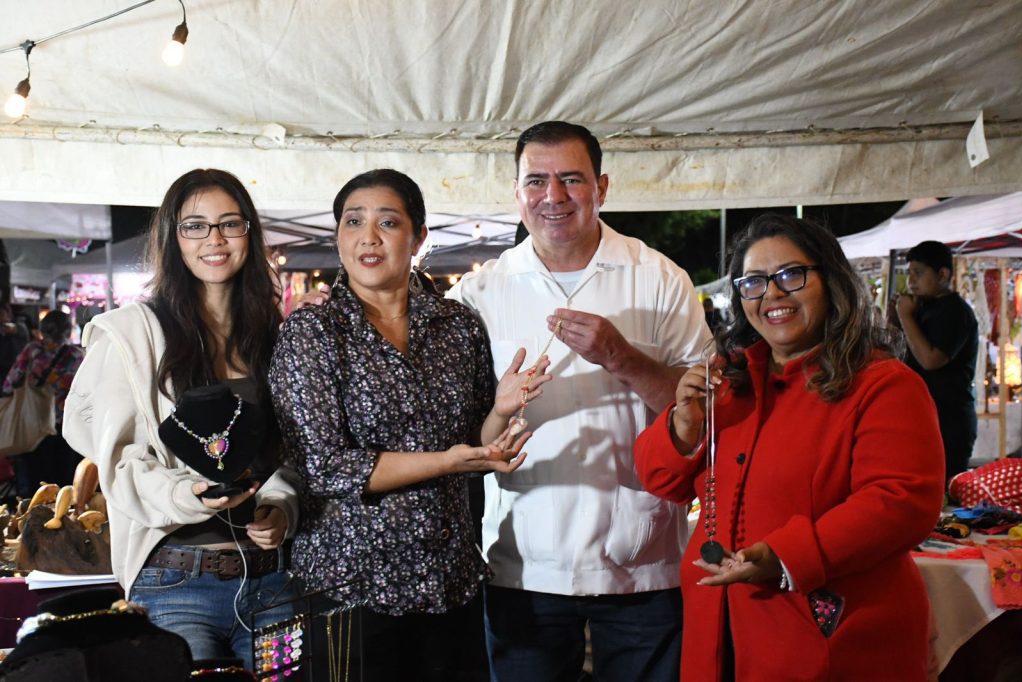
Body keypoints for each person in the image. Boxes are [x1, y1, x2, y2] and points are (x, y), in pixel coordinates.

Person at [448, 121, 711, 681]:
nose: (553, 196)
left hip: (643, 561)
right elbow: (455, 432)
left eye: (571, 179)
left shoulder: (658, 277)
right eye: (536, 181)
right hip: (522, 562)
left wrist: (623, 357)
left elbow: (706, 407)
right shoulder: (479, 292)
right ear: (517, 193)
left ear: (602, 187)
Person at [634, 213, 945, 681]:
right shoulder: (729, 382)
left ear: (831, 281)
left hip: (831, 641)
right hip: (718, 632)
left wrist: (784, 556)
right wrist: (684, 424)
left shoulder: (883, 385)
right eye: (754, 282)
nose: (772, 294)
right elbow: (661, 480)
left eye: (790, 275)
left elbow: (901, 503)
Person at [269, 168, 545, 681]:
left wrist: (501, 412)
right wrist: (447, 462)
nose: (368, 237)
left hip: (449, 581)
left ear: (418, 238)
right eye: (354, 221)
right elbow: (326, 468)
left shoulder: (457, 326)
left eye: (388, 222)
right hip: (350, 586)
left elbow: (475, 449)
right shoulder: (313, 331)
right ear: (338, 237)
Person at [63, 169, 299, 669]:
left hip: (273, 582)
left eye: (230, 224)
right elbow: (118, 461)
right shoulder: (134, 335)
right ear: (173, 238)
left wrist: (281, 507)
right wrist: (184, 493)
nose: (214, 239)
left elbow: (295, 452)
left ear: (249, 233)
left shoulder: (273, 337)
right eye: (195, 226)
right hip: (175, 583)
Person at [891, 240, 979, 482]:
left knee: (945, 491)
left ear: (943, 274)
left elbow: (931, 360)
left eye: (918, 273)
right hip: (924, 416)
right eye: (909, 273)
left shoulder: (955, 310)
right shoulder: (922, 308)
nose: (911, 280)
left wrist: (905, 317)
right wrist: (897, 320)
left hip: (949, 420)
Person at [2, 310, 84, 497]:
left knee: (35, 480)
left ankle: (35, 512)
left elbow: (9, 383)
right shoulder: (76, 355)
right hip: (66, 426)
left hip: (34, 425)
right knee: (65, 480)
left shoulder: (32, 351)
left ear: (43, 329)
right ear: (68, 330)